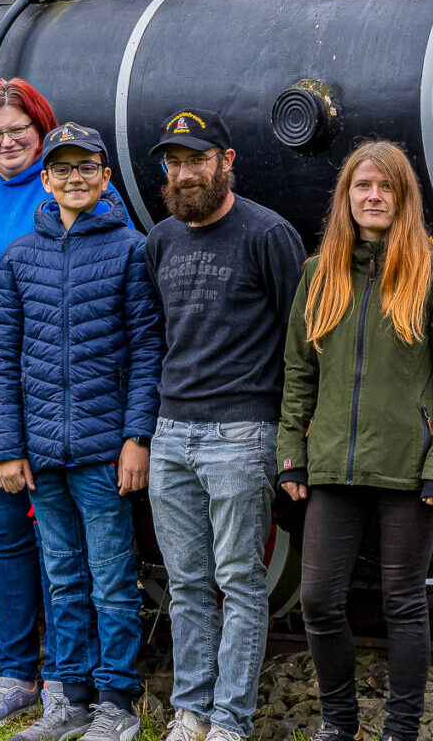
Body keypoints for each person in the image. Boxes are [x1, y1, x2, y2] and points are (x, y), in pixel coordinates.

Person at [0, 79, 129, 729]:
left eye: (19, 131)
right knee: (7, 537)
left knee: (63, 543)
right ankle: (16, 672)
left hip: (55, 398)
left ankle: (67, 681)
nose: (7, 142)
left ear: (42, 135)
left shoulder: (74, 193)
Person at [279, 142, 433, 741]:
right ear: (346, 197)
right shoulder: (320, 273)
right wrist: (292, 453)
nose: (373, 196)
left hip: (407, 470)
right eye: (362, 186)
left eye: (385, 188)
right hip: (332, 465)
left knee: (404, 603)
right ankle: (338, 724)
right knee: (317, 600)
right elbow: (298, 373)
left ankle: (400, 729)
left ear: (403, 197)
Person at [0, 123, 163, 741]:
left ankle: (116, 703)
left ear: (106, 177)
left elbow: (147, 350)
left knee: (112, 574)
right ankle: (67, 698)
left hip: (102, 450)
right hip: (39, 452)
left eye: (87, 167)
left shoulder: (130, 250)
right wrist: (6, 448)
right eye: (62, 169)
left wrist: (136, 436)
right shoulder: (19, 258)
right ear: (45, 179)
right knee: (61, 573)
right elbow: (3, 361)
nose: (74, 179)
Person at [141, 108, 306, 741]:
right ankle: (191, 713)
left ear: (225, 162)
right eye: (173, 163)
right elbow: (156, 338)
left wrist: (293, 442)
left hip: (242, 433)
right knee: (186, 584)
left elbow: (300, 346)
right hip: (172, 433)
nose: (183, 174)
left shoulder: (268, 235)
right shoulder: (161, 241)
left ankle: (231, 721)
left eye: (196, 160)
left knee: (239, 581)